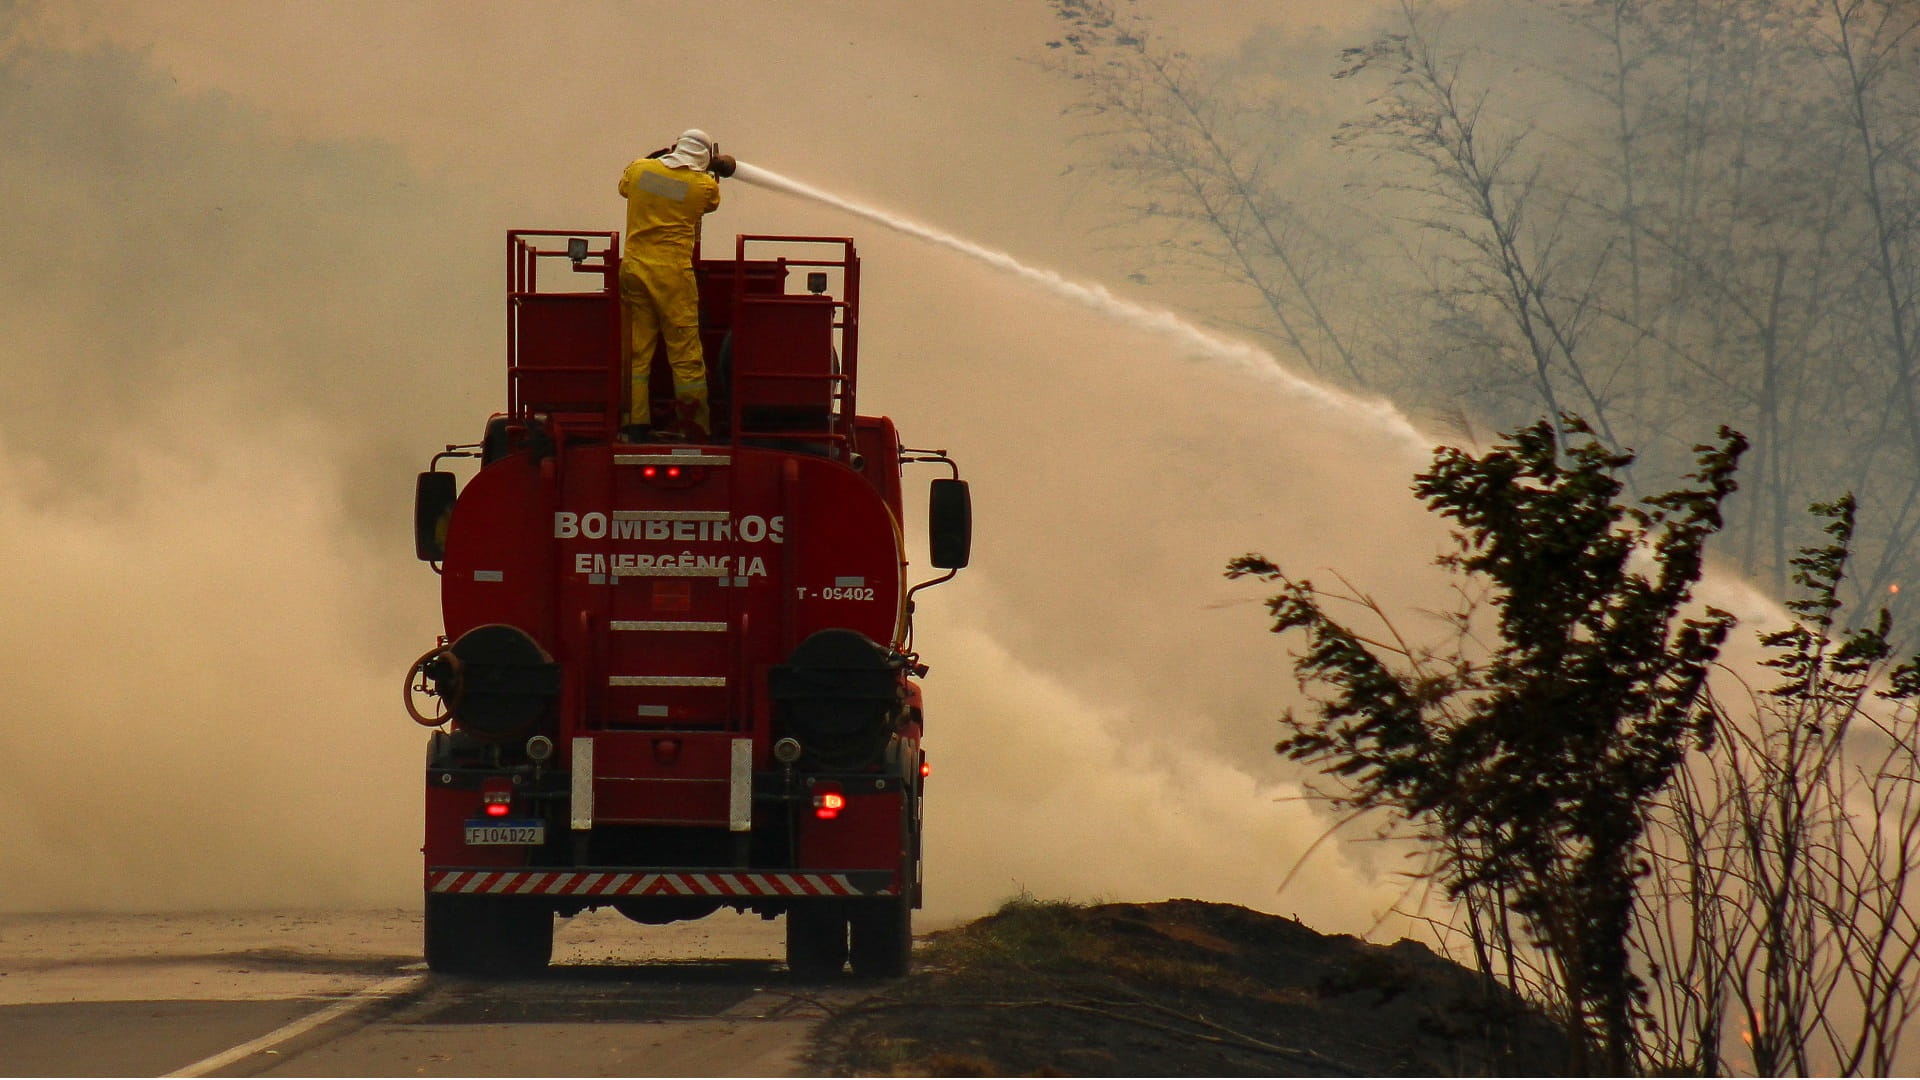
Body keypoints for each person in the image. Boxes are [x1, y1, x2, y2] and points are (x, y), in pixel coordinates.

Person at [618, 129, 723, 439]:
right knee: (685, 353)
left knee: (638, 351)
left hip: (635, 269)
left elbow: (625, 187)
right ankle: (694, 425)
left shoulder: (639, 170)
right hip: (673, 276)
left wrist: (656, 160)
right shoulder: (703, 186)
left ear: (676, 146)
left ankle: (635, 422)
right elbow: (711, 201)